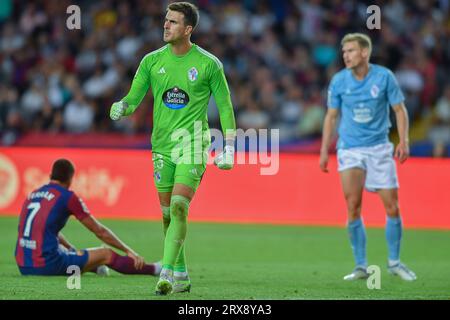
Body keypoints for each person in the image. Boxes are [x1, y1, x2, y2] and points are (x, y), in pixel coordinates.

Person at [109, 2, 236, 295]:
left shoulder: (208, 64)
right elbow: (133, 98)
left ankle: (165, 273)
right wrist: (121, 106)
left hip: (193, 144)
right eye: (166, 21)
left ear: (188, 29)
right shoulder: (151, 61)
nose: (166, 25)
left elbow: (226, 107)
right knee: (167, 214)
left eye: (173, 22)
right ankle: (181, 273)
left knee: (180, 206)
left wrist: (229, 146)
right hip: (162, 147)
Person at [319, 33, 417, 281]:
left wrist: (403, 141)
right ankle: (361, 266)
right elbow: (331, 116)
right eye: (344, 52)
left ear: (364, 52)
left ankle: (394, 262)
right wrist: (323, 151)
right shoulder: (339, 81)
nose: (346, 56)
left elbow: (399, 109)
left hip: (378, 149)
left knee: (392, 207)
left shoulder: (384, 77)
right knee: (353, 207)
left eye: (351, 51)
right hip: (349, 149)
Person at [15, 158, 161, 277]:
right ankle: (154, 269)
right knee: (106, 253)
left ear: (50, 176)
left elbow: (42, 228)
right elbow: (99, 231)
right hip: (46, 266)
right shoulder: (67, 197)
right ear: (71, 179)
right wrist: (129, 251)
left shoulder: (32, 194)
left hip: (23, 264)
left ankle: (94, 267)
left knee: (59, 247)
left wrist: (70, 248)